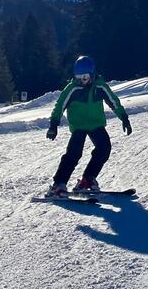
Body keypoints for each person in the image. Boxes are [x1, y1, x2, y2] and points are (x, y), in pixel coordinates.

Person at [46, 55, 131, 197]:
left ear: (92, 75)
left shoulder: (100, 86)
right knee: (74, 153)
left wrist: (124, 117)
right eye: (78, 77)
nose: (82, 81)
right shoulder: (72, 89)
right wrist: (53, 124)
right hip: (79, 125)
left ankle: (87, 180)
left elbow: (113, 101)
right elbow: (59, 106)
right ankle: (58, 185)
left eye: (84, 77)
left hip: (95, 123)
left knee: (104, 148)